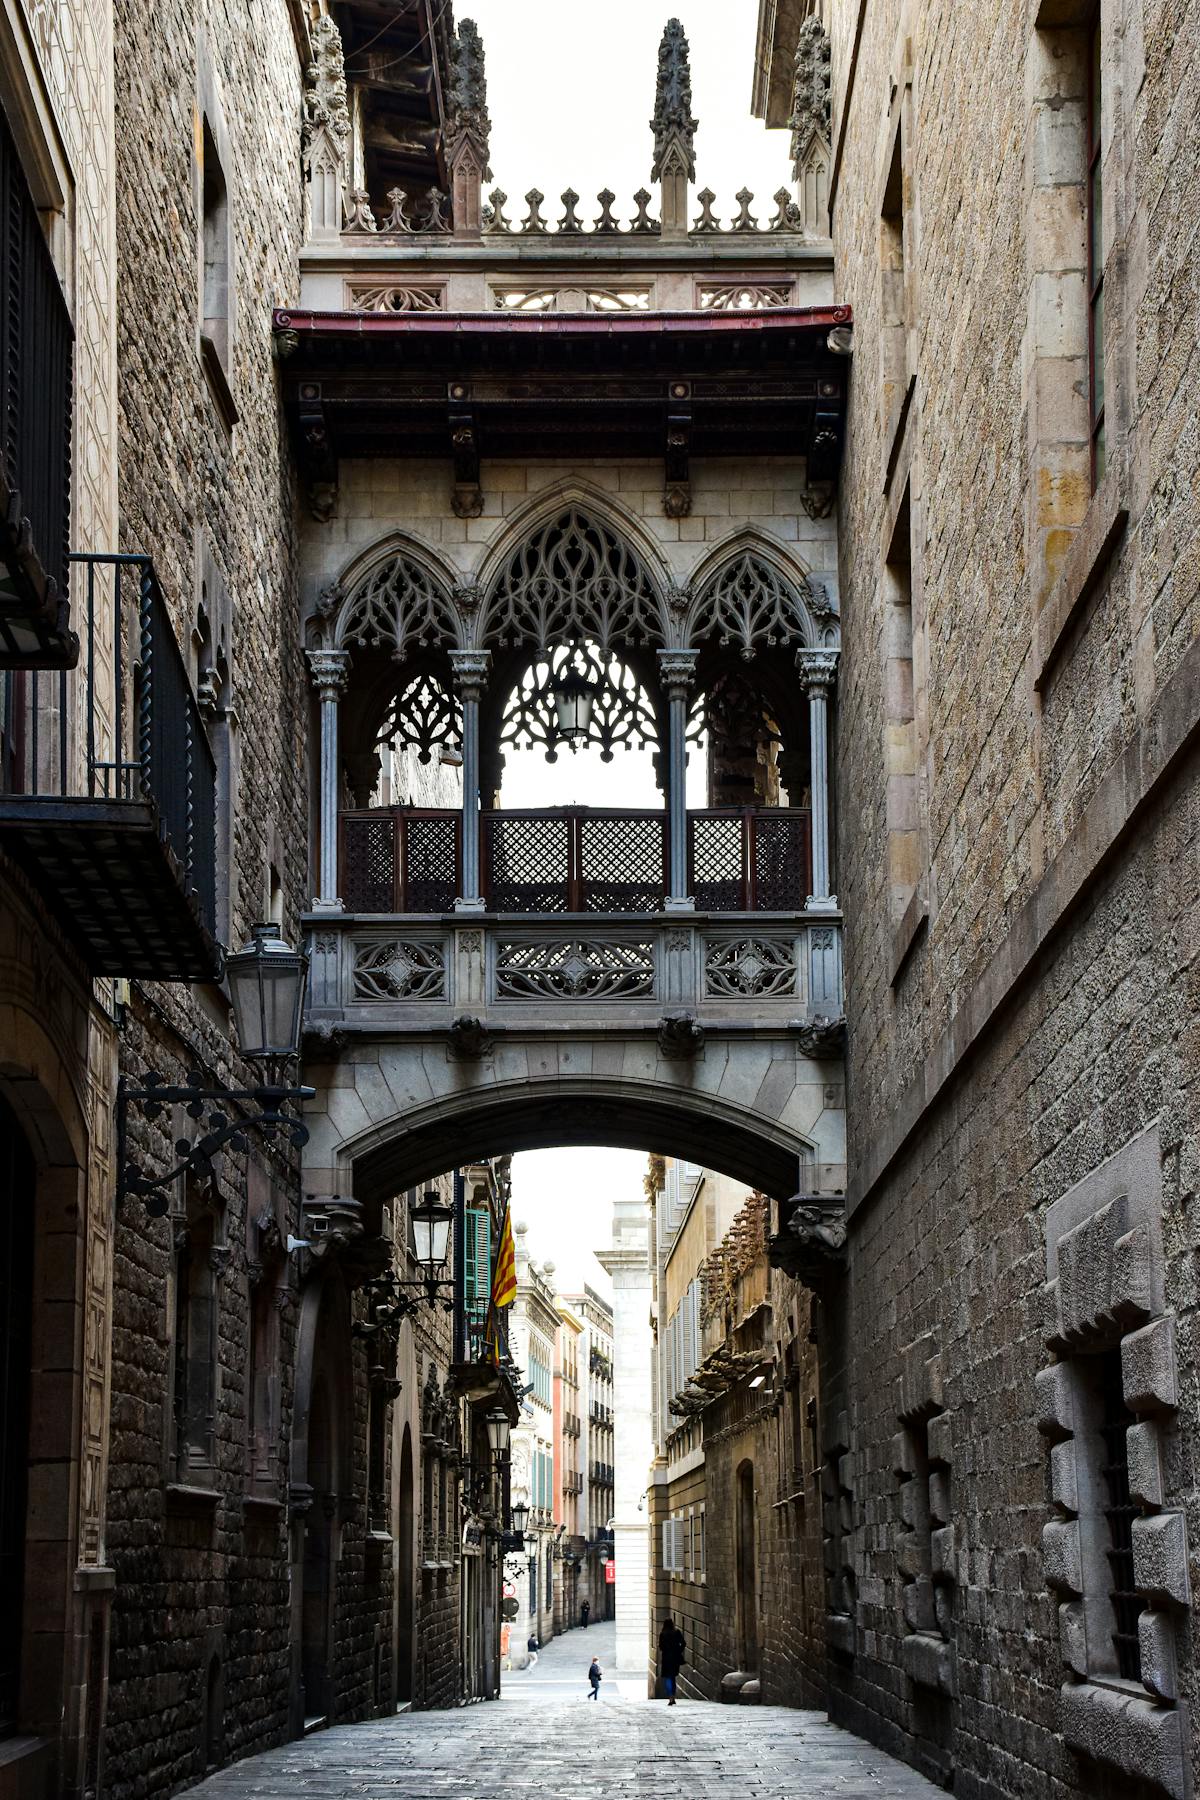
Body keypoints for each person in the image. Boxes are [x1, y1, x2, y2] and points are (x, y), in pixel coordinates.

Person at [658, 1615, 685, 1704]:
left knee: (668, 1678)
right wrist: (678, 1651)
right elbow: (683, 1643)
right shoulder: (676, 1632)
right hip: (675, 1658)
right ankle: (673, 1696)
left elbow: (661, 1647)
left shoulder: (663, 1634)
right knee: (673, 1677)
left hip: (666, 1658)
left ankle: (670, 1697)